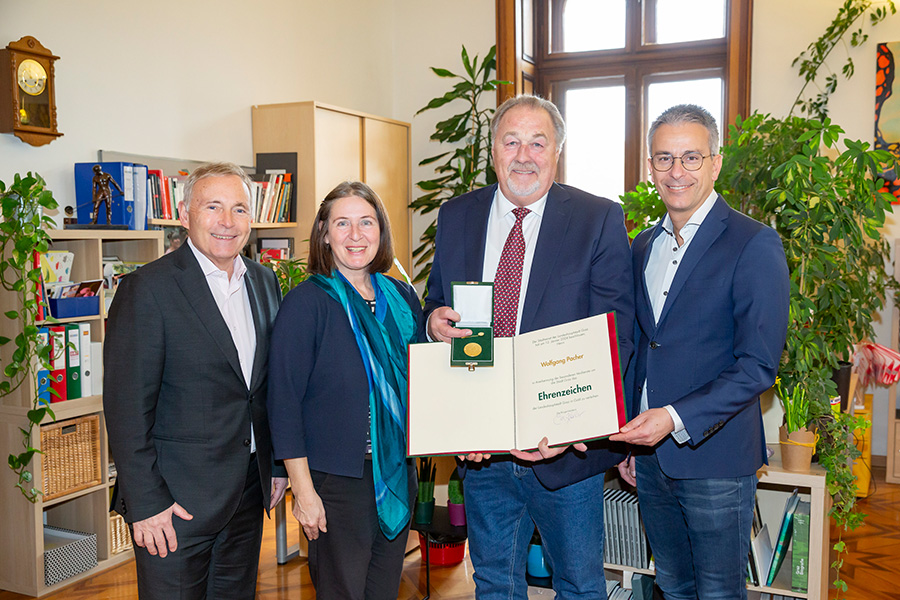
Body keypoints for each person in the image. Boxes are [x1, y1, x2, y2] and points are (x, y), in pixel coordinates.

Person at [424, 94, 634, 600]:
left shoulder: (597, 218)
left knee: (580, 586)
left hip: (563, 454)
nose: (524, 155)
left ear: (556, 150)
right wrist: (432, 323)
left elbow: (617, 334)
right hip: (483, 452)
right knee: (494, 584)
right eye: (511, 141)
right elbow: (435, 303)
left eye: (537, 142)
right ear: (493, 151)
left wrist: (573, 427)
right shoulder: (457, 216)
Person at [610, 104, 790, 600]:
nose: (676, 171)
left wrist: (672, 417)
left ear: (716, 163)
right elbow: (641, 347)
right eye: (664, 158)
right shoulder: (642, 245)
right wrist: (630, 440)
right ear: (650, 167)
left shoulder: (754, 243)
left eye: (691, 157)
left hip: (716, 455)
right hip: (649, 458)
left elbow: (757, 365)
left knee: (717, 592)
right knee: (672, 585)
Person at [104, 161, 288, 600]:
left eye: (240, 209)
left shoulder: (263, 281)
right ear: (185, 215)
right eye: (213, 207)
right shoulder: (147, 289)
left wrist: (276, 465)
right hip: (174, 506)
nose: (227, 222)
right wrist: (147, 505)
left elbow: (264, 390)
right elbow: (127, 410)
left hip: (245, 494)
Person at [267, 181, 425, 599]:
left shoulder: (403, 298)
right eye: (342, 223)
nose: (356, 235)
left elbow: (426, 380)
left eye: (366, 222)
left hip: (396, 472)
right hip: (336, 484)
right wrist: (303, 491)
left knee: (382, 592)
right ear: (324, 233)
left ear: (381, 230)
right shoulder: (306, 303)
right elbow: (283, 403)